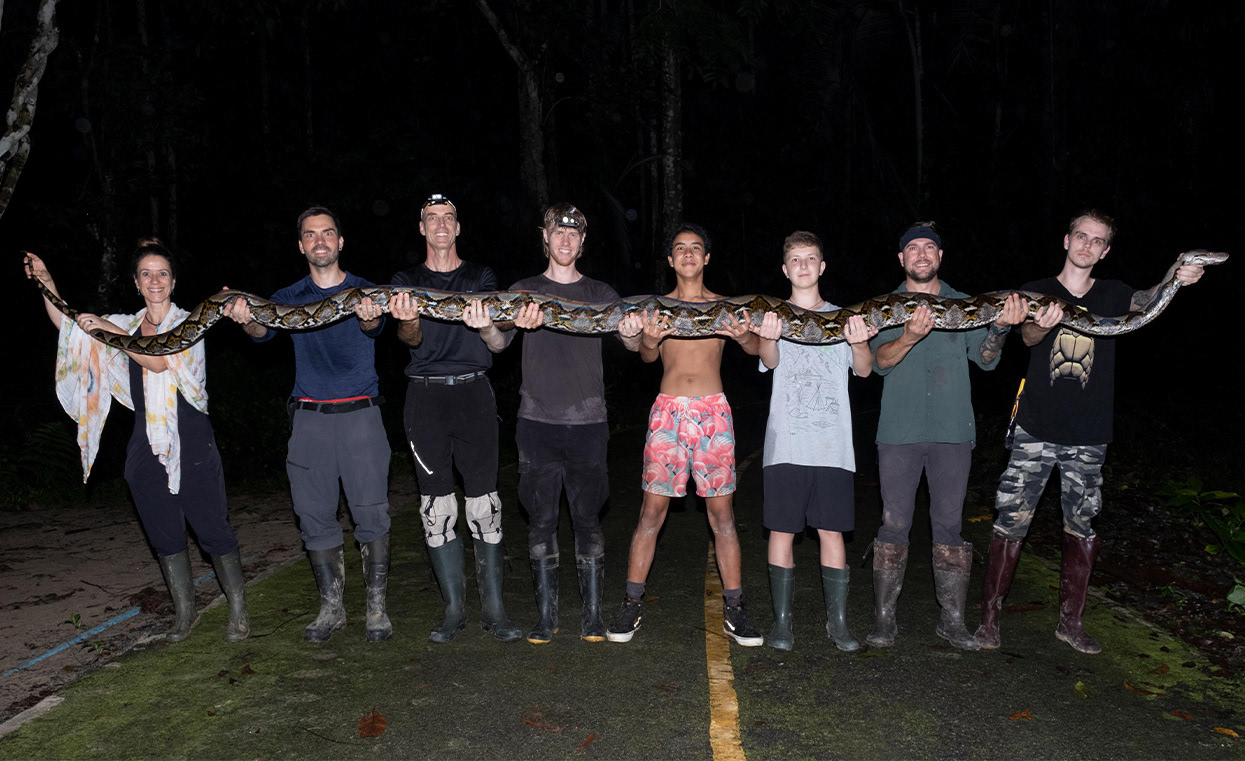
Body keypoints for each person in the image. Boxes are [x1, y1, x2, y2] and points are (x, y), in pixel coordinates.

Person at [974, 210, 1206, 654]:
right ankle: (989, 619)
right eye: (1081, 236)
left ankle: (1071, 623)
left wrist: (1177, 276)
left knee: (1082, 524)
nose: (1087, 245)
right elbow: (1025, 339)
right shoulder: (1036, 290)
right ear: (1066, 240)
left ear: (1105, 250)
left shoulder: (1115, 294)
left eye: (1097, 240)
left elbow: (1148, 298)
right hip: (1035, 428)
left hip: (1089, 432)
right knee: (1011, 520)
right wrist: (1036, 324)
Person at [25, 242, 249, 644]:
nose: (155, 280)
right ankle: (185, 612)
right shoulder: (127, 324)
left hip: (192, 435)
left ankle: (237, 608)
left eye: (162, 272)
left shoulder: (190, 322)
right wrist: (47, 282)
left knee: (210, 522)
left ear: (174, 281)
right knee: (161, 527)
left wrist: (107, 330)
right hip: (145, 436)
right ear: (136, 282)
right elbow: (72, 327)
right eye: (146, 273)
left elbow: (160, 358)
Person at [476, 204, 643, 644]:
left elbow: (629, 342)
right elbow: (497, 344)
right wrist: (487, 327)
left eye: (574, 233)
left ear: (583, 241)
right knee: (541, 521)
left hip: (589, 421)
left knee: (588, 519)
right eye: (557, 232)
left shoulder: (601, 292)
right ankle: (546, 617)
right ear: (544, 238)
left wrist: (631, 328)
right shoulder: (524, 290)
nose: (565, 240)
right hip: (537, 422)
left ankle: (591, 617)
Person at [226, 206, 392, 644]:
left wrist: (370, 316)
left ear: (341, 241)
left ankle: (376, 610)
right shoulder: (287, 295)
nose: (320, 241)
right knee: (313, 515)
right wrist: (247, 322)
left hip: (361, 416)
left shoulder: (365, 291)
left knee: (371, 512)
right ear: (301, 245)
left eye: (328, 233)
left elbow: (375, 328)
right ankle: (331, 609)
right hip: (310, 420)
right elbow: (265, 337)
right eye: (310, 234)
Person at [866, 222, 1026, 651]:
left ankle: (952, 621)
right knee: (894, 523)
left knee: (949, 526)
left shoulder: (966, 305)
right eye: (912, 248)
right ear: (901, 259)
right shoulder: (887, 306)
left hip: (953, 431)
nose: (921, 254)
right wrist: (910, 337)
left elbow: (987, 361)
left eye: (929, 248)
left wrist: (1000, 328)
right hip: (898, 430)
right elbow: (879, 361)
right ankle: (884, 620)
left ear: (940, 256)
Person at [605, 223, 766, 647]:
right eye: (680, 248)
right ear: (671, 260)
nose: (689, 254)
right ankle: (630, 605)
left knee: (722, 517)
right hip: (668, 412)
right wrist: (650, 339)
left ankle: (736, 609)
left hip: (714, 411)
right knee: (651, 513)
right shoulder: (655, 308)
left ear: (707, 258)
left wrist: (744, 334)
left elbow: (754, 350)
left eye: (696, 247)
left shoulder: (726, 306)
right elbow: (646, 356)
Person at [388, 193, 521, 643]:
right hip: (424, 399)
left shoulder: (479, 276)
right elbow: (409, 337)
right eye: (432, 218)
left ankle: (496, 610)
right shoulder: (405, 280)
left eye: (448, 218)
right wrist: (407, 319)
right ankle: (452, 609)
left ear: (458, 228)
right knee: (437, 505)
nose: (441, 225)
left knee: (485, 500)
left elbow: (498, 339)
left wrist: (486, 323)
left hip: (474, 394)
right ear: (422, 228)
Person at [750, 232, 877, 652]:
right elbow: (769, 361)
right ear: (785, 270)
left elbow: (863, 371)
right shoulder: (773, 314)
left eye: (811, 259)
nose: (803, 265)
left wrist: (859, 343)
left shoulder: (846, 317)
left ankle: (837, 623)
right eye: (795, 260)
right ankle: (782, 623)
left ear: (822, 267)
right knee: (782, 530)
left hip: (832, 444)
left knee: (832, 531)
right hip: (785, 442)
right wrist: (769, 336)